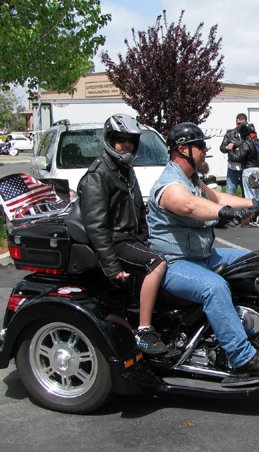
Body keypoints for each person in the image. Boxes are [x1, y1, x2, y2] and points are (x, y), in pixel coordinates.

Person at [146, 122, 259, 375]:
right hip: (175, 263)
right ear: (183, 150)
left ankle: (251, 323)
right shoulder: (169, 185)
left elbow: (218, 198)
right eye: (200, 145)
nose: (206, 149)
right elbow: (189, 206)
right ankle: (241, 356)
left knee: (256, 261)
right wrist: (226, 214)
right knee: (214, 287)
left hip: (202, 256)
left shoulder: (192, 179)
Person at [76, 114, 168, 355]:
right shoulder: (99, 174)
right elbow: (96, 226)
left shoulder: (125, 169)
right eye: (121, 140)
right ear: (110, 140)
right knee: (156, 263)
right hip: (115, 241)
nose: (126, 145)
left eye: (131, 141)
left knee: (169, 253)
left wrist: (147, 238)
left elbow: (139, 209)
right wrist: (111, 266)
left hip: (131, 238)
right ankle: (145, 331)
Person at [227, 122, 259, 206]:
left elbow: (237, 158)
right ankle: (257, 217)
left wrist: (230, 150)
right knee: (256, 197)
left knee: (250, 198)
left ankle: (252, 218)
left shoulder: (246, 144)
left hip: (249, 171)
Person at [219, 113, 247, 196]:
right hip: (232, 166)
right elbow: (222, 147)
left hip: (245, 167)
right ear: (236, 122)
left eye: (242, 124)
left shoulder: (248, 134)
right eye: (238, 123)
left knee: (246, 192)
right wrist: (227, 147)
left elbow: (252, 146)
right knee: (230, 191)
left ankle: (247, 208)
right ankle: (229, 208)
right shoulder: (230, 133)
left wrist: (237, 146)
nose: (240, 125)